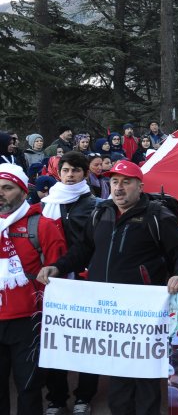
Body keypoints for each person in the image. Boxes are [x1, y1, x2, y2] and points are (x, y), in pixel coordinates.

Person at [37, 161, 178, 415]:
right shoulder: (101, 212)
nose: (119, 188)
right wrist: (57, 266)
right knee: (117, 376)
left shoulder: (157, 216)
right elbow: (84, 249)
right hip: (109, 312)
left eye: (126, 181)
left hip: (143, 312)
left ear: (140, 186)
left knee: (144, 378)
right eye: (114, 182)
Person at [0, 163, 67, 415]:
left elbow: (61, 272)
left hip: (29, 322)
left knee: (29, 389)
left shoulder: (42, 226)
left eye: (7, 188)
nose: (1, 193)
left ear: (21, 190)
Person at [39, 152, 101, 415]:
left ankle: (84, 397)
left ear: (85, 174)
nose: (70, 175)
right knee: (55, 341)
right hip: (53, 281)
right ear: (58, 173)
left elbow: (92, 245)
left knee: (87, 342)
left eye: (76, 170)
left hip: (83, 279)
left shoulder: (96, 204)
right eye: (66, 170)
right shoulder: (47, 202)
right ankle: (56, 397)